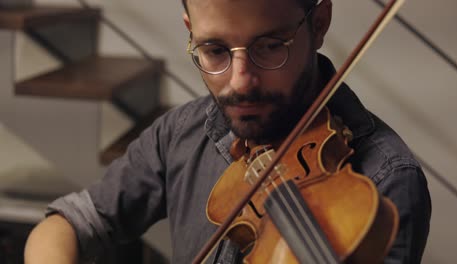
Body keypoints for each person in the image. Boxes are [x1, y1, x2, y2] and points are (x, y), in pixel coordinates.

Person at [24, 0, 431, 263]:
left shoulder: (383, 181)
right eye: (215, 50)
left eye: (271, 45)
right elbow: (70, 223)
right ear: (190, 31)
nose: (240, 82)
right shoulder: (180, 131)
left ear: (319, 23)